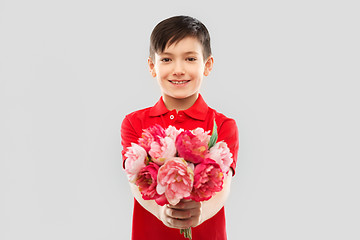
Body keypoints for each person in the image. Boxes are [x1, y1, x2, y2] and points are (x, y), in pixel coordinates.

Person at [121, 15, 239, 240]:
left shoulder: (223, 125)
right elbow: (135, 180)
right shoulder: (135, 123)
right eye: (166, 59)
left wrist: (200, 213)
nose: (178, 69)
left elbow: (223, 186)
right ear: (151, 66)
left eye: (190, 59)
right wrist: (161, 212)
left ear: (207, 65)